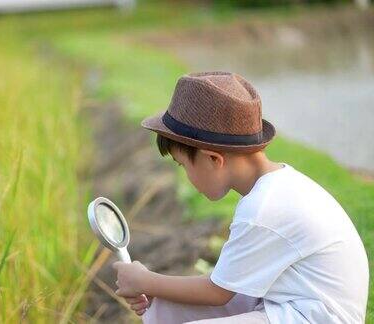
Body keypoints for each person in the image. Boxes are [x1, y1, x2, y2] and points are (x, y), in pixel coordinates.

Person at [112, 71, 369, 323]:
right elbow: (224, 283)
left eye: (183, 165)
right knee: (165, 306)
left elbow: (217, 293)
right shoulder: (277, 186)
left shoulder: (263, 208)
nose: (186, 176)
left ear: (213, 159)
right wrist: (152, 287)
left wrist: (144, 280)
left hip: (315, 317)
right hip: (290, 304)